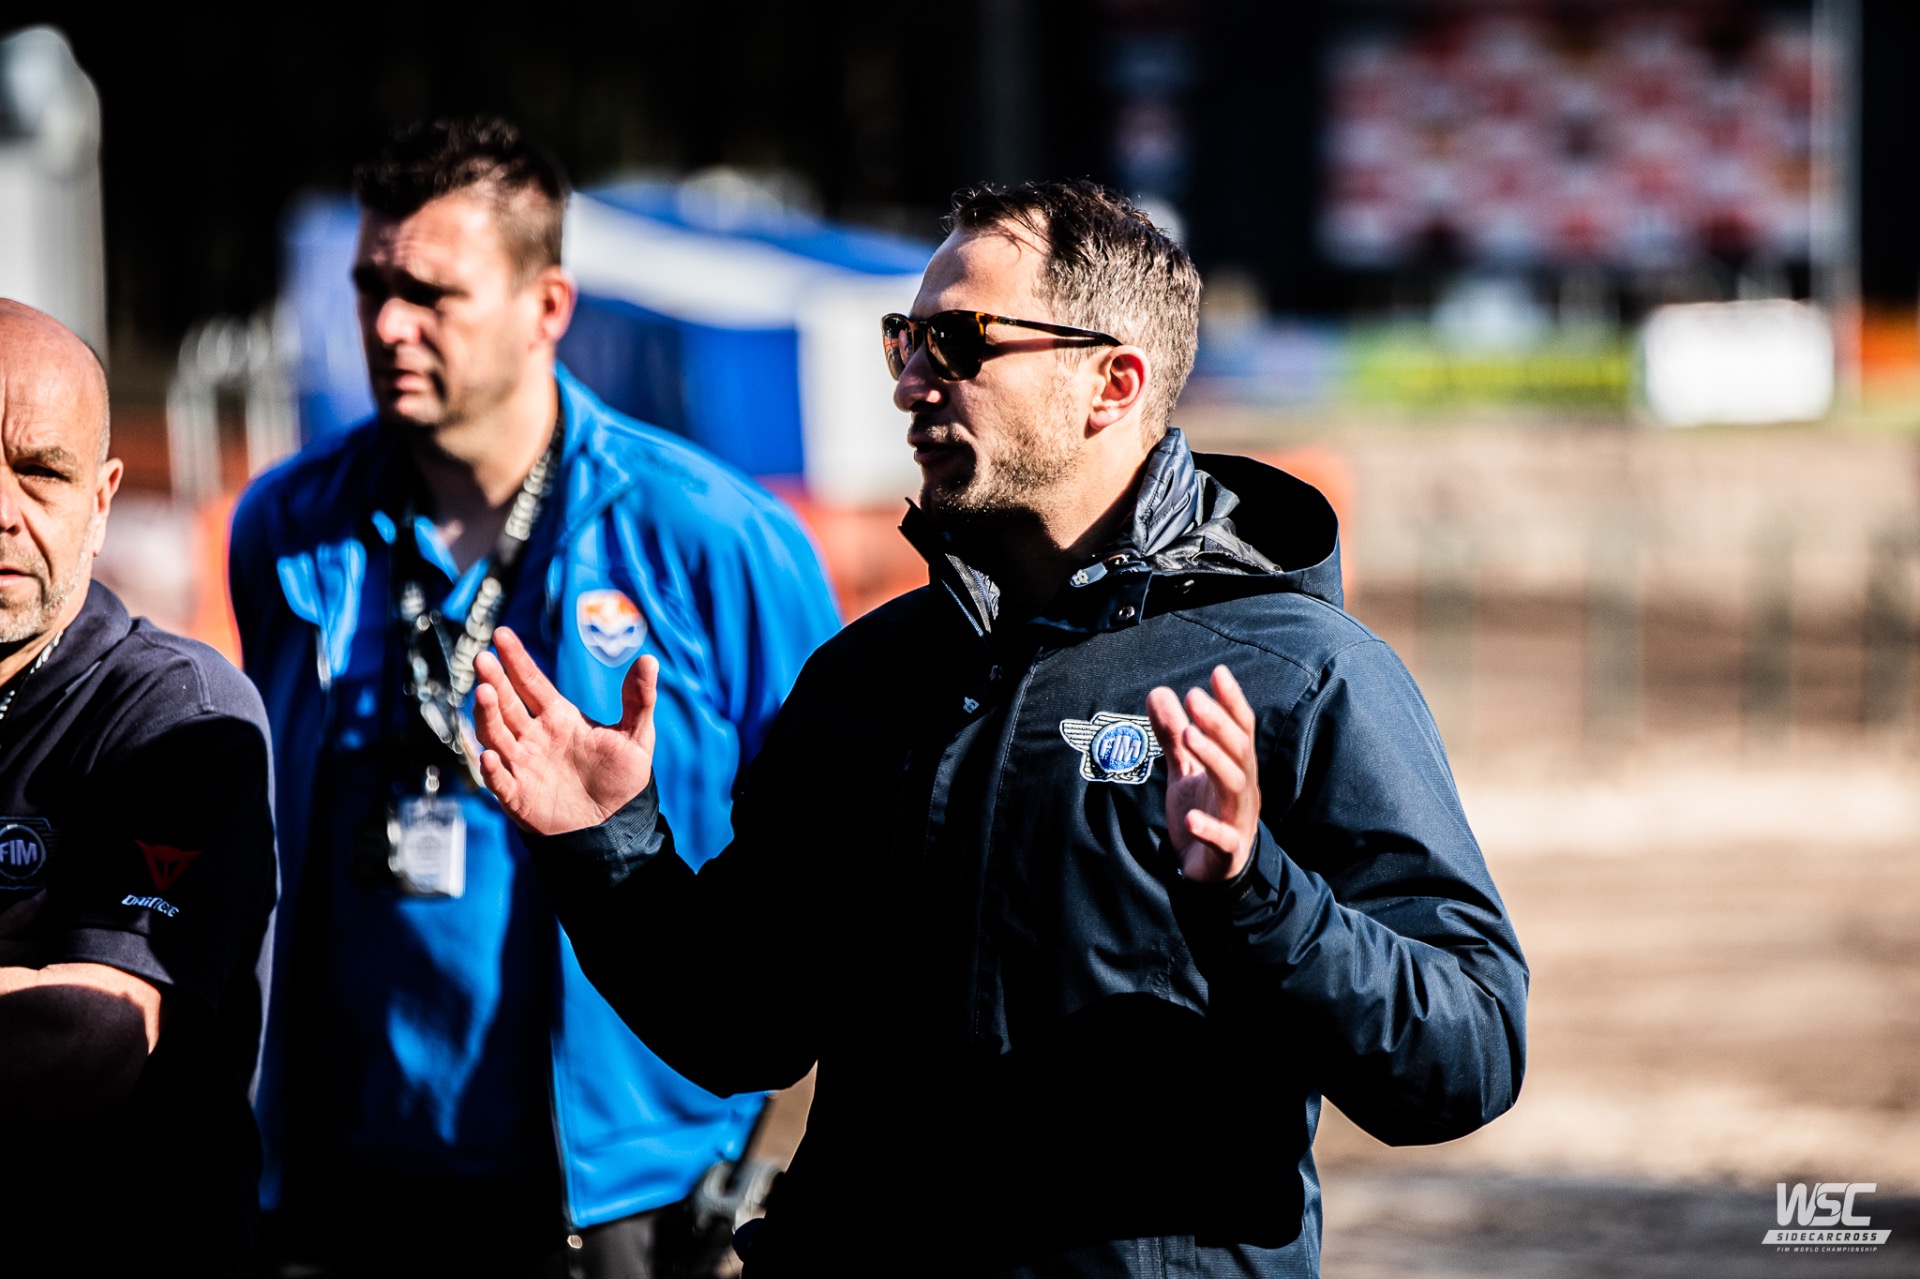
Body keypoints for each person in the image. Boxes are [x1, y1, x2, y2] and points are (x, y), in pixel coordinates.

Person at [474, 179, 1531, 1278]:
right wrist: (607, 842)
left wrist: (1256, 893)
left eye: (959, 341)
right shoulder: (863, 679)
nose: (909, 381)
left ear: (1112, 382)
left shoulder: (1302, 675)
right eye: (906, 339)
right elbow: (744, 1026)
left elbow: (1465, 1058)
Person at [228, 117, 840, 1276]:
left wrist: (758, 1148)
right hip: (353, 1182)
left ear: (546, 306)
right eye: (370, 286)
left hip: (632, 1192)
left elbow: (834, 865)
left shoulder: (714, 537)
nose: (387, 325)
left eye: (430, 293)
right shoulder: (286, 525)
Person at [0, 300, 278, 1275]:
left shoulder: (178, 714)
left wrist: (50, 994)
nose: (4, 511)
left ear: (103, 499)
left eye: (41, 471)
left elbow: (89, 1037)